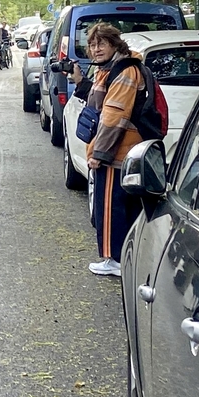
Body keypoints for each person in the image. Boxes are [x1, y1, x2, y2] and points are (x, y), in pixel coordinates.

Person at [69, 23, 144, 277]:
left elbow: (113, 116)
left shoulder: (125, 71)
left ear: (114, 44)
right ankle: (123, 258)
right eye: (92, 44)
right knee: (118, 207)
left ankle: (116, 260)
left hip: (118, 152)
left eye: (102, 43)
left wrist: (99, 154)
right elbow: (99, 105)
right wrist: (81, 84)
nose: (96, 49)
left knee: (112, 208)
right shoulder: (110, 69)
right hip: (119, 149)